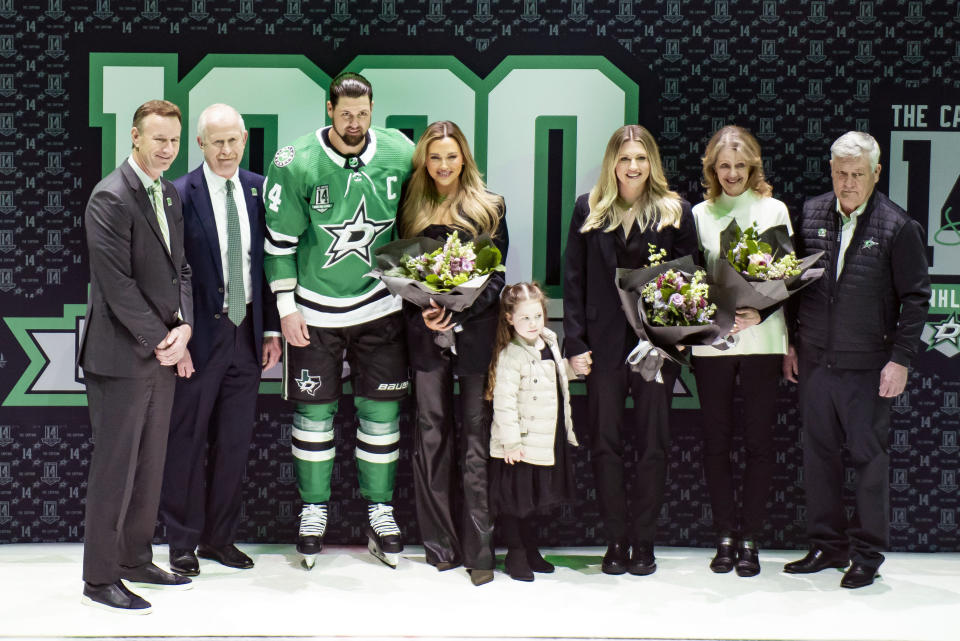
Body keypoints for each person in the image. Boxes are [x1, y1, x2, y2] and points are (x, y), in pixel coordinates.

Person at [263, 72, 414, 569]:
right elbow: (280, 244)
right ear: (329, 109)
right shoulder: (296, 161)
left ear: (374, 111)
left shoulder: (399, 151)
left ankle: (380, 511)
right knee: (313, 417)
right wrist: (286, 308)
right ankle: (312, 510)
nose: (354, 123)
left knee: (381, 417)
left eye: (363, 114)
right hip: (315, 311)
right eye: (345, 113)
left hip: (381, 309)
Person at [782, 131, 930, 588]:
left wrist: (901, 359)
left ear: (876, 173)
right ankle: (828, 545)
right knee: (818, 454)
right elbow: (791, 286)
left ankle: (866, 554)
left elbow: (917, 298)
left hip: (868, 367)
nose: (848, 183)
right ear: (831, 170)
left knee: (868, 459)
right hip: (814, 361)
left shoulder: (898, 226)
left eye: (858, 175)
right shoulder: (808, 214)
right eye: (842, 174)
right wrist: (791, 342)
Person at [563, 125, 698, 576]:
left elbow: (689, 284)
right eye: (625, 159)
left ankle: (644, 543)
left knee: (653, 446)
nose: (633, 167)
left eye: (641, 158)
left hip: (655, 349)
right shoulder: (589, 208)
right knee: (604, 445)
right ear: (612, 163)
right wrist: (575, 344)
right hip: (602, 349)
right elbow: (575, 280)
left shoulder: (675, 211)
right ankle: (615, 541)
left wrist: (667, 340)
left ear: (652, 162)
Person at [78, 99, 194, 613]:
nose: (167, 149)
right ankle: (99, 577)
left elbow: (181, 271)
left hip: (160, 353)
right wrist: (162, 337)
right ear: (135, 138)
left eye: (173, 140)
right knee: (115, 471)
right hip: (121, 358)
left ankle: (135, 559)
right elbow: (117, 285)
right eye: (158, 139)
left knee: (149, 466)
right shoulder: (110, 197)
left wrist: (184, 326)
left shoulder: (168, 193)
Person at [159, 104, 282, 577]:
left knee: (234, 444)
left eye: (233, 140)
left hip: (248, 336)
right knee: (186, 441)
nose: (226, 150)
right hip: (198, 337)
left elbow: (271, 265)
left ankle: (220, 539)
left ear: (244, 139)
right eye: (217, 142)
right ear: (200, 144)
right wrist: (180, 334)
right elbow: (169, 273)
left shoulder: (258, 190)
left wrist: (270, 328)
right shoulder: (178, 194)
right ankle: (182, 542)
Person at [399, 121, 508, 586]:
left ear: (465, 157)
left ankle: (480, 552)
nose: (443, 166)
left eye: (451, 156)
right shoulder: (409, 205)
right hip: (424, 340)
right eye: (435, 157)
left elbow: (497, 278)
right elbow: (400, 272)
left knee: (476, 442)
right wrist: (425, 312)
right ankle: (440, 547)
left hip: (478, 339)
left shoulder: (491, 207)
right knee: (431, 439)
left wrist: (458, 314)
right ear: (425, 160)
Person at [690, 125, 792, 577]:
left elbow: (788, 280)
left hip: (764, 344)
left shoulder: (774, 210)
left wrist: (762, 314)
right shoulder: (698, 214)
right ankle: (725, 536)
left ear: (754, 166)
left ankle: (750, 538)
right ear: (713, 168)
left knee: (758, 444)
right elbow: (691, 281)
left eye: (739, 165)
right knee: (715, 444)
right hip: (713, 345)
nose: (731, 174)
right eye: (723, 166)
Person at [487, 282, 580, 581]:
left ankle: (530, 549)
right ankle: (515, 554)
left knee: (533, 501)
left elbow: (550, 376)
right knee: (516, 502)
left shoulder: (549, 340)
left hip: (544, 436)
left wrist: (573, 369)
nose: (532, 324)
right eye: (525, 318)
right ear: (509, 318)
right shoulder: (510, 355)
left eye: (537, 316)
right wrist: (511, 443)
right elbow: (503, 402)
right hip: (519, 444)